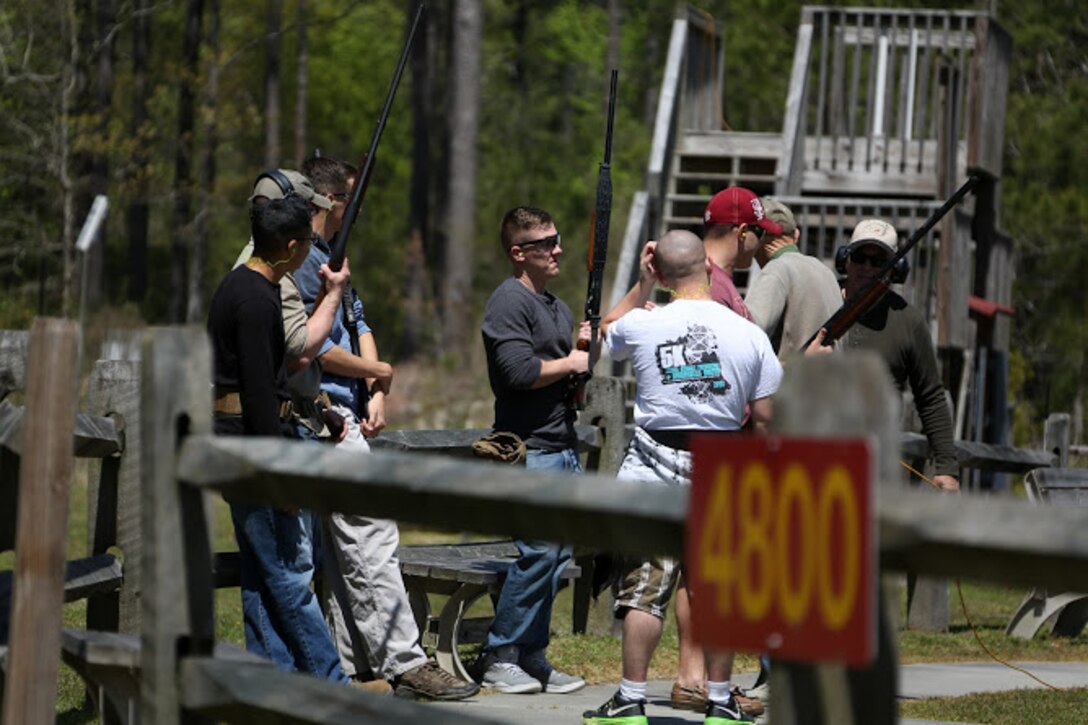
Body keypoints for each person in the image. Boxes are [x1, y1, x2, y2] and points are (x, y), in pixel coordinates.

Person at [293, 155, 479, 700]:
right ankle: (406, 663)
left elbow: (358, 321)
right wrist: (377, 371)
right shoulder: (302, 260)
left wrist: (375, 389)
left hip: (348, 413)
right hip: (321, 416)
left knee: (347, 549)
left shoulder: (331, 257)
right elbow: (310, 346)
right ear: (333, 201)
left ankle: (356, 667)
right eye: (353, 197)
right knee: (368, 539)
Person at [582, 230, 783, 725]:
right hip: (723, 468)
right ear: (709, 270)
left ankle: (630, 700)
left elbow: (600, 331)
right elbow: (764, 416)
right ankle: (719, 702)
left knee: (646, 588)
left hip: (653, 464)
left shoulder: (645, 325)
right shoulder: (747, 332)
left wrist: (643, 285)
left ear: (663, 273)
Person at [207, 194, 351, 682]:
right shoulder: (251, 299)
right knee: (291, 576)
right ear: (291, 246)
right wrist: (278, 478)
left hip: (250, 443)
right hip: (254, 450)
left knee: (263, 578)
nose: (311, 249)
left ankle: (277, 685)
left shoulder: (258, 288)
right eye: (308, 242)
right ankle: (332, 686)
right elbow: (257, 393)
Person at [476, 206, 588, 695]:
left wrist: (580, 362)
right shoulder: (508, 302)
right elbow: (519, 373)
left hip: (561, 445)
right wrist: (570, 362)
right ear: (519, 253)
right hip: (528, 451)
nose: (558, 248)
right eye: (546, 242)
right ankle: (499, 655)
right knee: (539, 552)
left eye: (557, 238)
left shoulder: (554, 305)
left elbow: (566, 379)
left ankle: (532, 656)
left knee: (558, 556)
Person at [839, 218, 960, 492]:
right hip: (817, 453)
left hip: (876, 468)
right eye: (860, 257)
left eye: (878, 261)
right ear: (845, 260)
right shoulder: (820, 300)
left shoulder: (909, 321)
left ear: (896, 269)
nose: (867, 267)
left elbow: (930, 396)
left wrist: (947, 468)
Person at [745, 198, 842, 358]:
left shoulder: (777, 270)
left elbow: (747, 335)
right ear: (796, 234)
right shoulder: (825, 271)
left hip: (793, 380)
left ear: (758, 237)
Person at [701, 186, 784, 318]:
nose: (761, 243)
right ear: (742, 232)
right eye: (760, 232)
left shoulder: (709, 278)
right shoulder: (710, 287)